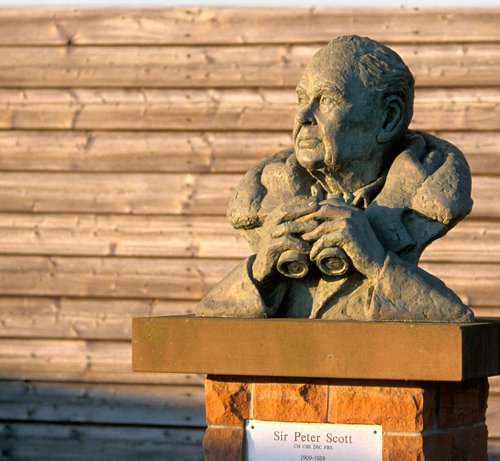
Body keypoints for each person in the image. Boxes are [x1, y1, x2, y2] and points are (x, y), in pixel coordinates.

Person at [195, 35, 474, 322]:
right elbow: (207, 317)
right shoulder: (265, 199)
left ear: (389, 118)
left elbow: (453, 320)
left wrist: (377, 262)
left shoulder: (429, 198)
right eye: (302, 98)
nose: (303, 115)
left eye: (327, 100)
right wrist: (259, 273)